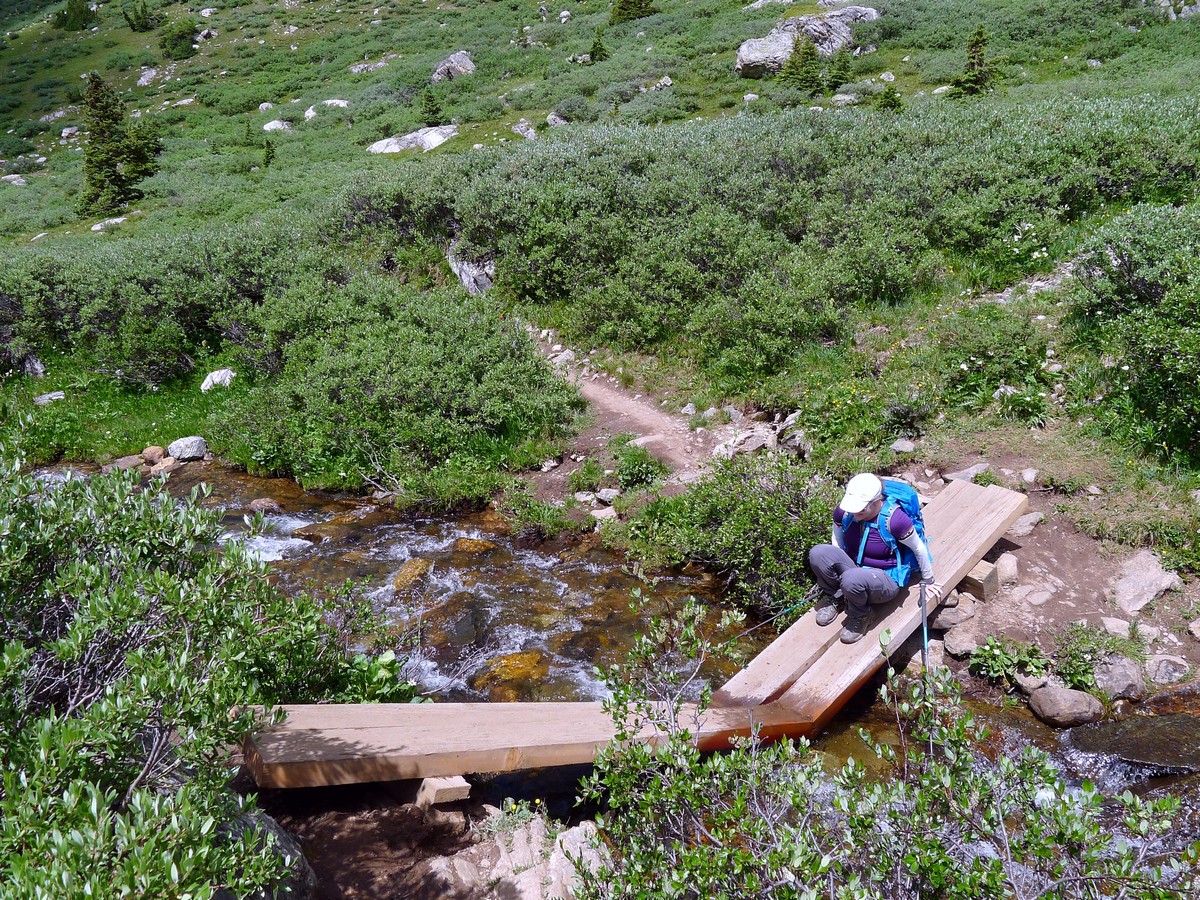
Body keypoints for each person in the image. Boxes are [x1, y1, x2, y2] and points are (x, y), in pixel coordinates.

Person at [807, 473, 941, 644]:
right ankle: (838, 596)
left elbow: (919, 548)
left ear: (877, 501)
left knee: (852, 579)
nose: (855, 514)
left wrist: (928, 580)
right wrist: (839, 569)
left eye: (861, 509)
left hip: (886, 579)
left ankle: (862, 614)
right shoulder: (845, 512)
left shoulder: (895, 520)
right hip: (855, 570)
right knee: (819, 553)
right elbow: (837, 537)